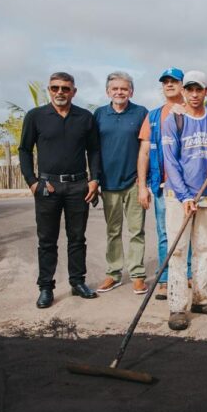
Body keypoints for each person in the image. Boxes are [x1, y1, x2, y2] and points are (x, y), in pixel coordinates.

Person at [19, 72, 101, 309]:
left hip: (78, 186)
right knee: (47, 240)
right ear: (49, 90)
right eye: (55, 88)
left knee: (77, 238)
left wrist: (94, 180)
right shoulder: (36, 116)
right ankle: (46, 287)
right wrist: (32, 182)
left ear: (73, 91)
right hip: (48, 186)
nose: (60, 92)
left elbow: (94, 151)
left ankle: (77, 282)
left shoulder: (84, 117)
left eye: (65, 88)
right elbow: (24, 150)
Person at [162, 70, 207, 331]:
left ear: (206, 91)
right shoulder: (174, 119)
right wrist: (184, 197)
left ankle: (201, 298)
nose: (194, 94)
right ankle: (177, 306)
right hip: (178, 196)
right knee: (178, 251)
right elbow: (170, 160)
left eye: (198, 89)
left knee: (204, 248)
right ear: (183, 91)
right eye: (189, 89)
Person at [136, 68, 191, 300]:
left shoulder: (192, 111)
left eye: (174, 81)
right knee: (164, 233)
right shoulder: (154, 115)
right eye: (165, 82)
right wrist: (142, 186)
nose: (169, 85)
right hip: (161, 184)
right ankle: (166, 277)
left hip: (187, 185)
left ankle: (186, 275)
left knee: (186, 231)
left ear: (182, 85)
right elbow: (145, 152)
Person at [94, 72, 149, 295]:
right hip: (108, 184)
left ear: (131, 91)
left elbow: (147, 148)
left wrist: (144, 180)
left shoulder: (141, 113)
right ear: (108, 91)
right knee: (113, 231)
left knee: (137, 231)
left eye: (124, 89)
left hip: (134, 182)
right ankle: (114, 273)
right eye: (115, 89)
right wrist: (95, 178)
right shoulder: (99, 114)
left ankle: (137, 275)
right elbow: (93, 150)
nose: (119, 92)